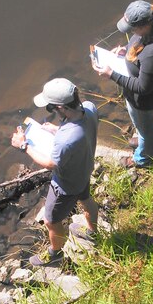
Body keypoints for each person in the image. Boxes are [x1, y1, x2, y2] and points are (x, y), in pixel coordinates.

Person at [11, 78, 98, 266]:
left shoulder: (66, 139)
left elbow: (51, 163)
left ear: (61, 107)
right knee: (86, 199)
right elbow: (78, 132)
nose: (50, 110)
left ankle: (55, 253)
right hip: (84, 170)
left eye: (51, 107)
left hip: (66, 184)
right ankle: (93, 232)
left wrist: (23, 145)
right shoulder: (89, 108)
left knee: (51, 220)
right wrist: (57, 129)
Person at [93, 0, 153, 168]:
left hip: (143, 101)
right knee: (146, 126)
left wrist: (112, 74)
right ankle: (149, 138)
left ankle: (144, 158)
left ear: (144, 26)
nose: (131, 32)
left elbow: (143, 87)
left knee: (145, 129)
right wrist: (127, 49)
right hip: (147, 90)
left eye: (133, 28)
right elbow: (140, 43)